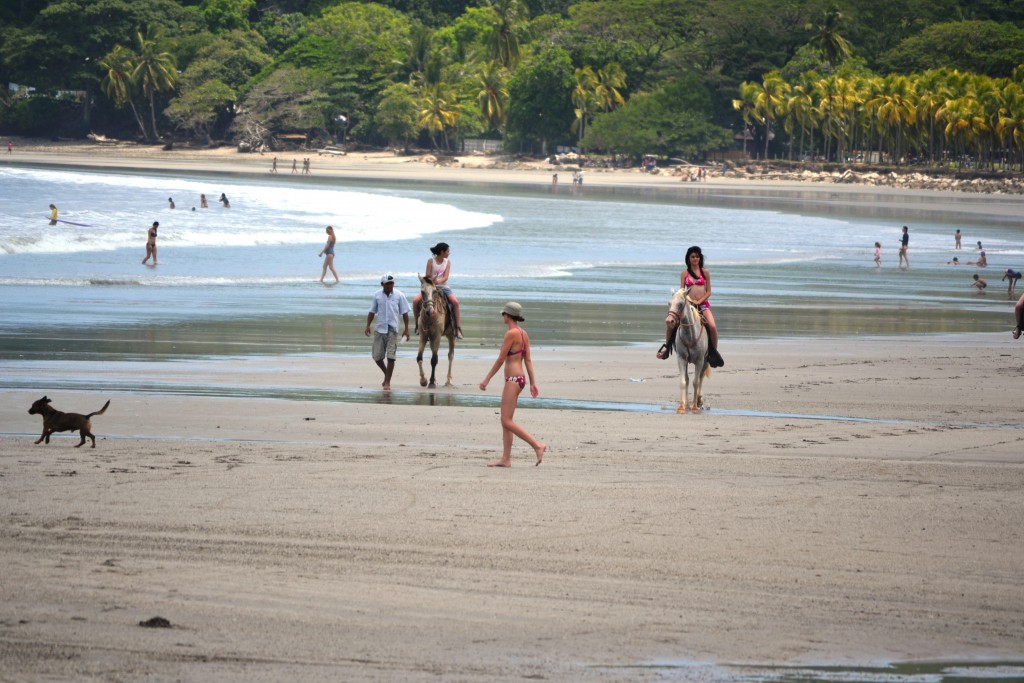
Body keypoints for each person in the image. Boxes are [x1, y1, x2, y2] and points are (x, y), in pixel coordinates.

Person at [479, 302, 547, 467]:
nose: (503, 316)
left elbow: (501, 359)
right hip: (520, 379)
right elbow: (528, 360)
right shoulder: (523, 334)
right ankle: (506, 459)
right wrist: (532, 383)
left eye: (503, 314)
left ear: (507, 316)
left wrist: (487, 378)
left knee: (506, 420)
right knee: (506, 420)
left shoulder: (511, 333)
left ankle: (537, 445)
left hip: (513, 380)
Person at [657, 245, 724, 368]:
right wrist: (686, 300)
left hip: (703, 305)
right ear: (688, 258)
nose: (695, 258)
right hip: (688, 306)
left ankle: (713, 353)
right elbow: (682, 291)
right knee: (671, 325)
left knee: (713, 327)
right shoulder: (684, 274)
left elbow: (709, 291)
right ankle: (667, 349)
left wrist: (699, 301)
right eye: (693, 256)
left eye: (697, 256)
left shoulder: (705, 272)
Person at [364, 273, 410, 391]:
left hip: (393, 329)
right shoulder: (377, 295)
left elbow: (405, 313)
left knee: (391, 357)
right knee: (377, 357)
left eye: (391, 283)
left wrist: (406, 329)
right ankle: (386, 374)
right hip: (380, 329)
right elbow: (372, 312)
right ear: (382, 284)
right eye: (387, 284)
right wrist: (368, 325)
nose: (389, 286)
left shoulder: (400, 295)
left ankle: (387, 382)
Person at [412, 241, 463, 339]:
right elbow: (427, 276)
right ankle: (417, 326)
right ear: (442, 252)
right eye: (448, 251)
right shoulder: (431, 261)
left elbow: (445, 277)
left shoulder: (448, 262)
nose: (449, 253)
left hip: (443, 286)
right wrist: (432, 283)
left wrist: (437, 282)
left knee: (455, 302)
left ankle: (457, 328)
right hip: (430, 286)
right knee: (415, 301)